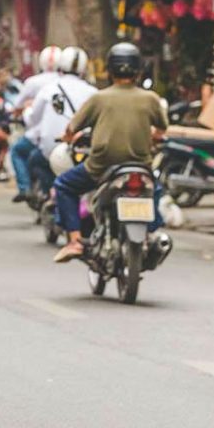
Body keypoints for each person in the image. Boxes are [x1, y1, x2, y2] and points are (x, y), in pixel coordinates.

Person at [53, 42, 169, 263]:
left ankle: (75, 240)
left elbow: (72, 128)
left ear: (109, 69)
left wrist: (68, 137)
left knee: (63, 185)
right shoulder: (150, 99)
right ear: (138, 70)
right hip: (140, 166)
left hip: (101, 167)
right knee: (155, 189)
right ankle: (151, 232)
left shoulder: (99, 98)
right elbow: (161, 129)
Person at [26, 47, 97, 193]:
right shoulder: (92, 93)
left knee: (34, 160)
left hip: (52, 149)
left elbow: (33, 118)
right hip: (83, 151)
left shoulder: (49, 89)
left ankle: (44, 193)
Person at [10, 46, 62, 202]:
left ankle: (25, 187)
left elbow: (25, 112)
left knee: (17, 151)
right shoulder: (75, 86)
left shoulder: (36, 84)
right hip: (67, 138)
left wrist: (24, 110)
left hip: (39, 136)